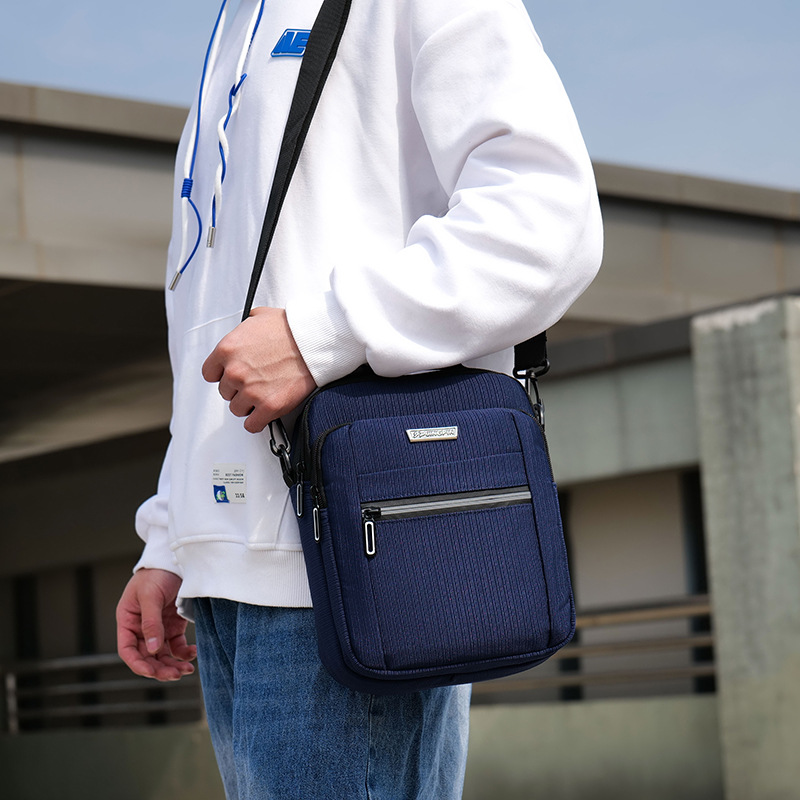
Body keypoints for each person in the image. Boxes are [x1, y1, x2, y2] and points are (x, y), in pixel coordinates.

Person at [116, 0, 603, 797]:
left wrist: (321, 333)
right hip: (227, 579)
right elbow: (210, 313)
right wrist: (172, 536)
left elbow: (549, 220)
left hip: (350, 558)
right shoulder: (232, 24)